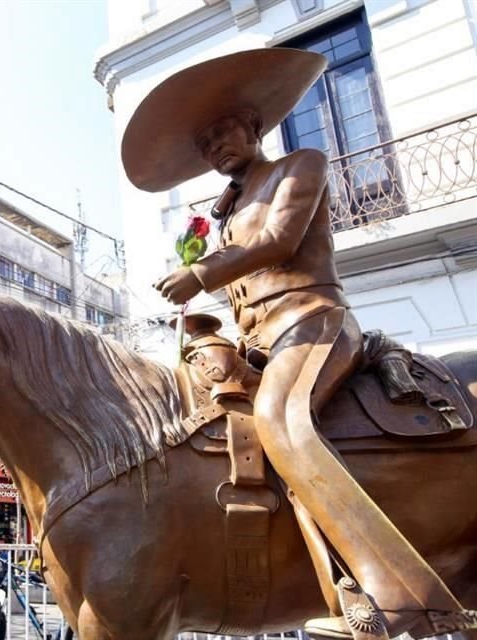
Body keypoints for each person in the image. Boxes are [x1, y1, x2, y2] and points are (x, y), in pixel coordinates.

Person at [126, 47, 474, 638]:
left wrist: (202, 272)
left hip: (313, 322)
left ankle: (398, 597)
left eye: (223, 132)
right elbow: (247, 282)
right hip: (260, 340)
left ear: (254, 126)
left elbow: (282, 242)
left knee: (281, 422)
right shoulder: (224, 211)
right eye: (205, 143)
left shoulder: (300, 165)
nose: (215, 147)